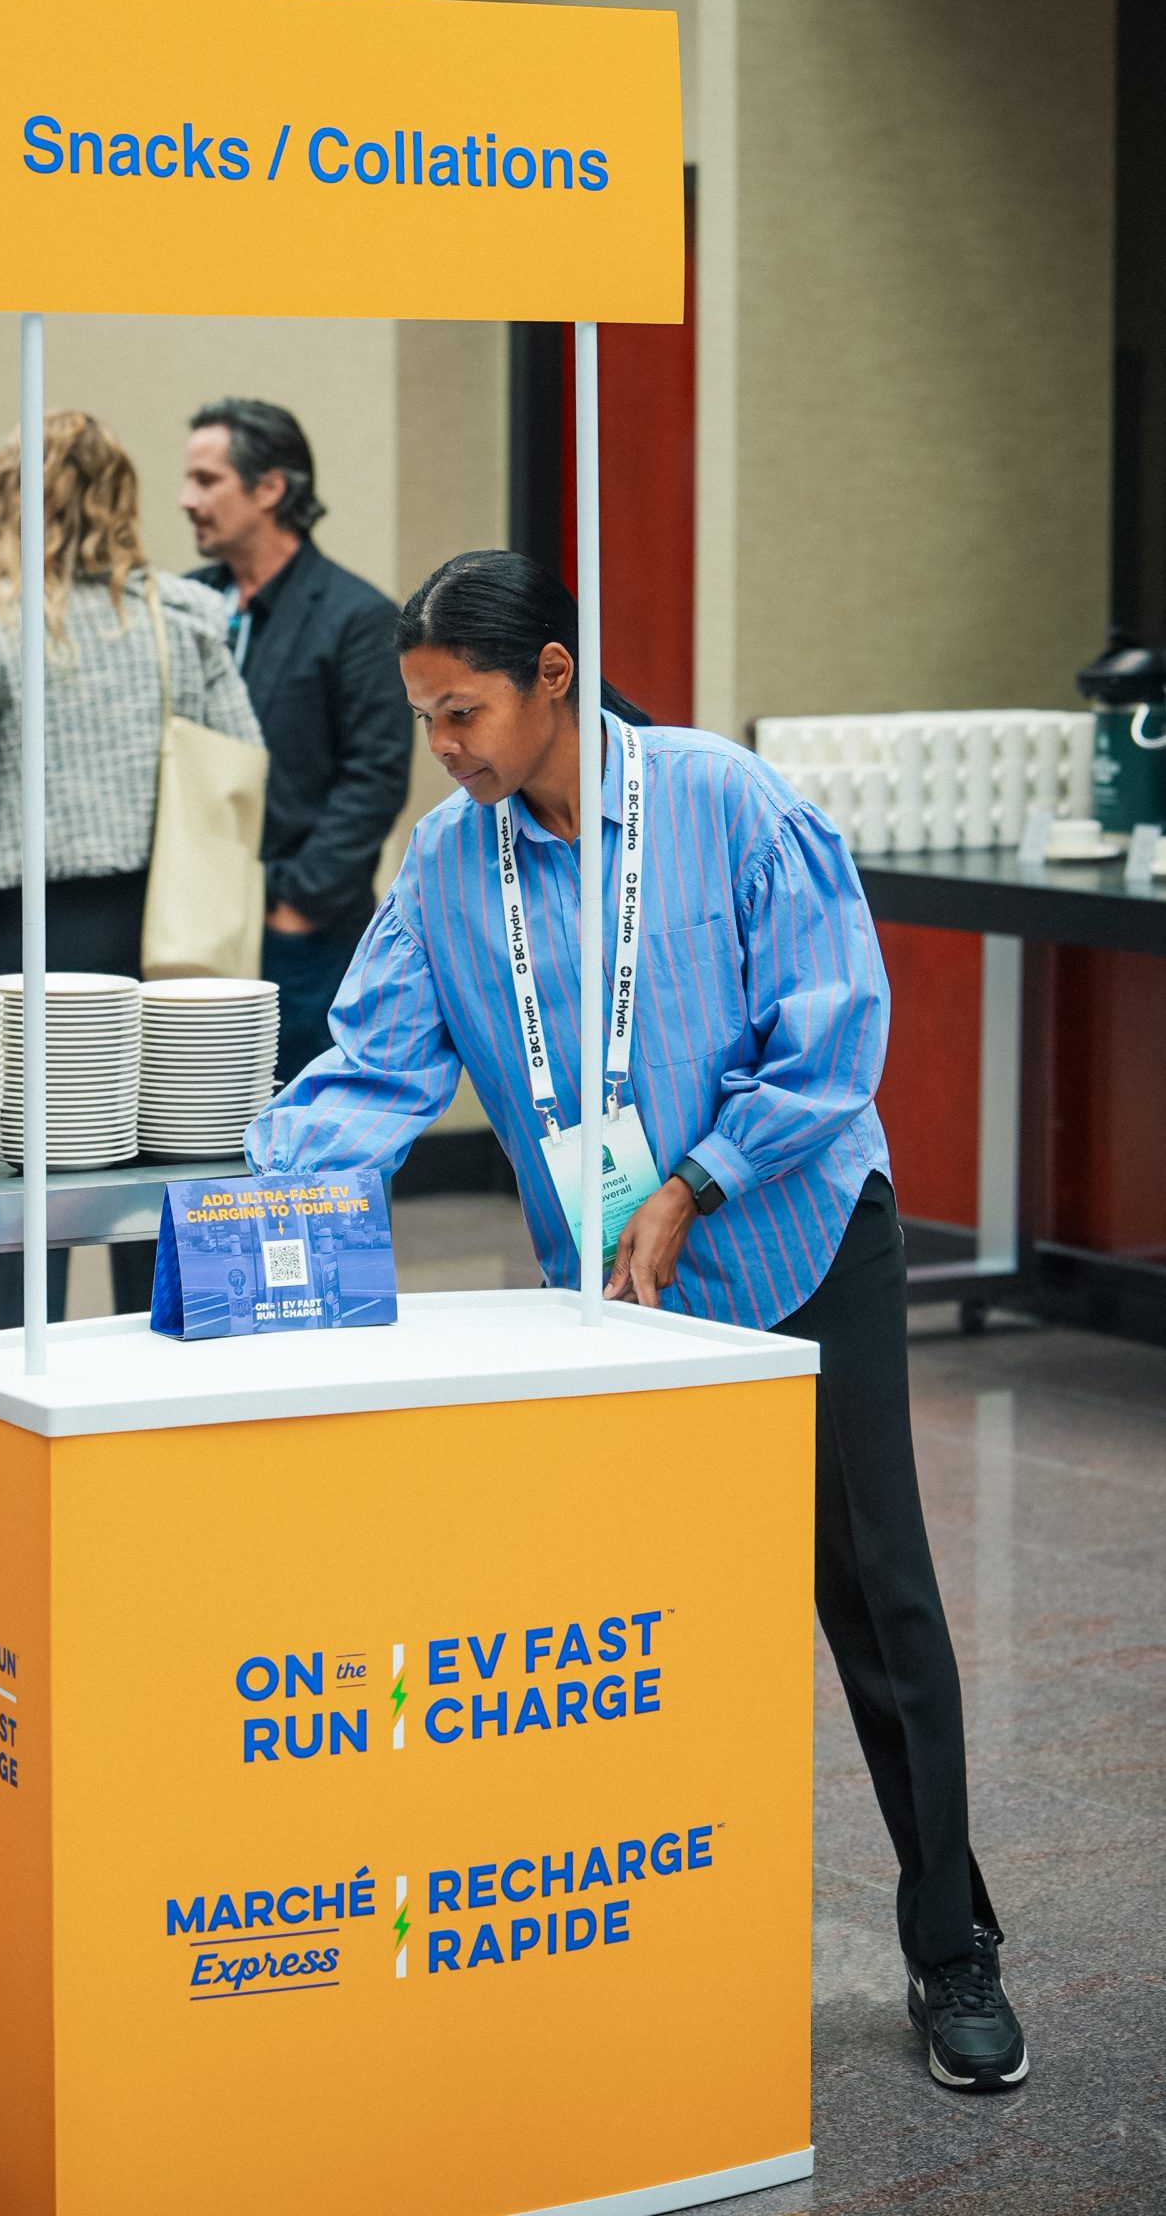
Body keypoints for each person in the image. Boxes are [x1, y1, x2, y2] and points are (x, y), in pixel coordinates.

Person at [249, 548, 1029, 2097]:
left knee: (874, 1599)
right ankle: (633, 1952)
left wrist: (691, 1182)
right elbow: (373, 1070)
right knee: (630, 1631)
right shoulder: (445, 865)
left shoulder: (721, 802)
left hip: (796, 1241)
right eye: (423, 718)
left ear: (552, 677)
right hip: (612, 1299)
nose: (443, 748)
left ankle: (952, 1949)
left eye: (462, 711)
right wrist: (262, 1211)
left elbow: (830, 1035)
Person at [0, 411, 261, 1329]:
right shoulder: (182, 615)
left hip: (19, 930)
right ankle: (151, 1364)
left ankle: (14, 1367)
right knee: (156, 1154)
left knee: (20, 1180)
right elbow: (241, 757)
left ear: (9, 501)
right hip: (156, 922)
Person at [183, 399, 413, 1081]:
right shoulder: (183, 604)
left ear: (271, 488)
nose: (186, 500)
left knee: (298, 1124)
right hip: (191, 927)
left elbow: (375, 777)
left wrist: (294, 905)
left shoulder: (357, 618)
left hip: (301, 939)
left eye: (206, 480)